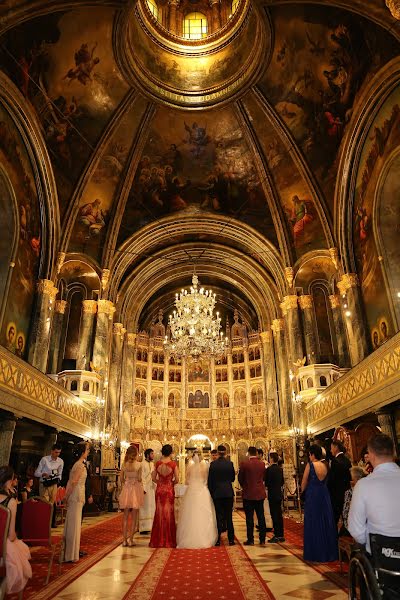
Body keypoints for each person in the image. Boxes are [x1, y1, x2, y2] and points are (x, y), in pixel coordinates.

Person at [348, 433, 400, 553]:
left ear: (371, 455)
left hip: (383, 556)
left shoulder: (363, 485)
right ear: (393, 452)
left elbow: (356, 530)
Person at [301, 444, 338, 562]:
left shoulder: (310, 465)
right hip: (324, 494)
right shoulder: (325, 465)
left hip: (313, 495)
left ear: (312, 454)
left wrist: (303, 493)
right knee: (325, 520)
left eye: (309, 454)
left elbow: (304, 482)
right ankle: (329, 552)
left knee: (314, 521)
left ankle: (315, 553)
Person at [0, 465, 32, 594]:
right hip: (1, 546)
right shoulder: (11, 502)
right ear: (10, 480)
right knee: (21, 554)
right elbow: (12, 535)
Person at [176, 452, 217, 548]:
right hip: (202, 490)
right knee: (203, 514)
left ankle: (188, 536)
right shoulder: (204, 466)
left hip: (191, 491)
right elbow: (206, 479)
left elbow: (186, 480)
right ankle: (205, 537)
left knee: (190, 514)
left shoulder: (190, 466)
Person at [63, 442, 90, 563]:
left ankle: (72, 552)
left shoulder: (79, 464)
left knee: (75, 523)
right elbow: (73, 482)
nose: (88, 452)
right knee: (74, 524)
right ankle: (70, 554)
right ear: (82, 451)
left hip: (78, 494)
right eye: (87, 450)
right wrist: (66, 496)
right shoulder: (79, 465)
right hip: (76, 495)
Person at [149, 444, 179, 548]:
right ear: (171, 453)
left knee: (159, 513)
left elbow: (153, 478)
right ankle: (168, 540)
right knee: (168, 514)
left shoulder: (157, 464)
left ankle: (158, 540)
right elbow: (177, 479)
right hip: (169, 490)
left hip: (160, 489)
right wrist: (170, 483)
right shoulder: (173, 464)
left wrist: (160, 482)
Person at [207, 444, 235, 546]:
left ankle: (218, 539)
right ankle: (231, 539)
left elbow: (210, 481)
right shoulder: (230, 464)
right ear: (226, 453)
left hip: (217, 493)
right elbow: (232, 479)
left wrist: (211, 493)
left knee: (218, 516)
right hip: (228, 493)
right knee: (229, 517)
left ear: (218, 453)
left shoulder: (213, 465)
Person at [238, 446, 267, 545]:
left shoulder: (244, 464)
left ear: (248, 453)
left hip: (248, 494)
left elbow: (240, 478)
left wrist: (244, 486)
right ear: (256, 453)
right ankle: (262, 539)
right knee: (261, 516)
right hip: (259, 493)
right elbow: (263, 478)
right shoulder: (262, 464)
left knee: (249, 518)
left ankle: (250, 539)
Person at [119, 445, 144, 547]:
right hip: (135, 490)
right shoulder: (139, 465)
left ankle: (124, 540)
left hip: (126, 489)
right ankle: (131, 540)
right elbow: (139, 479)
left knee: (125, 517)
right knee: (134, 517)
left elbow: (121, 479)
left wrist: (127, 483)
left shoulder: (124, 464)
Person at [34, 443, 63, 526]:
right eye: (56, 452)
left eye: (59, 453)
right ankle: (43, 523)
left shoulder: (60, 461)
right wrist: (43, 474)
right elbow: (36, 473)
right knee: (45, 503)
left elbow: (60, 473)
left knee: (52, 504)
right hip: (44, 484)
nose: (57, 454)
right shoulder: (44, 459)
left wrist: (57, 479)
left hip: (54, 484)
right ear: (52, 451)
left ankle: (50, 523)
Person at [327, 440, 351, 526]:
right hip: (346, 491)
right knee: (345, 513)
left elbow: (332, 479)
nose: (331, 450)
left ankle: (334, 536)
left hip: (336, 493)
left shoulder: (335, 461)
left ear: (336, 447)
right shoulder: (347, 460)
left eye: (331, 448)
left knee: (335, 517)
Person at [265, 451, 285, 543]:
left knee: (274, 515)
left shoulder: (269, 470)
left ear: (272, 459)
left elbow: (267, 483)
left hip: (272, 494)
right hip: (279, 494)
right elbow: (282, 482)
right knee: (279, 515)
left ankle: (276, 535)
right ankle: (281, 534)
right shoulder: (280, 469)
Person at [340, 466, 366, 536]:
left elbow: (345, 512)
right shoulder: (367, 488)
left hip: (356, 526)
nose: (349, 480)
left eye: (351, 478)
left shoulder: (349, 492)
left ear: (356, 479)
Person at [139, 448, 156, 535]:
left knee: (151, 506)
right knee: (144, 507)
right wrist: (143, 488)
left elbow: (153, 477)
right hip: (145, 489)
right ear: (148, 454)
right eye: (152, 454)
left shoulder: (152, 464)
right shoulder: (142, 464)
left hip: (151, 488)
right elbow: (141, 477)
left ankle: (150, 526)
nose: (153, 455)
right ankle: (143, 527)